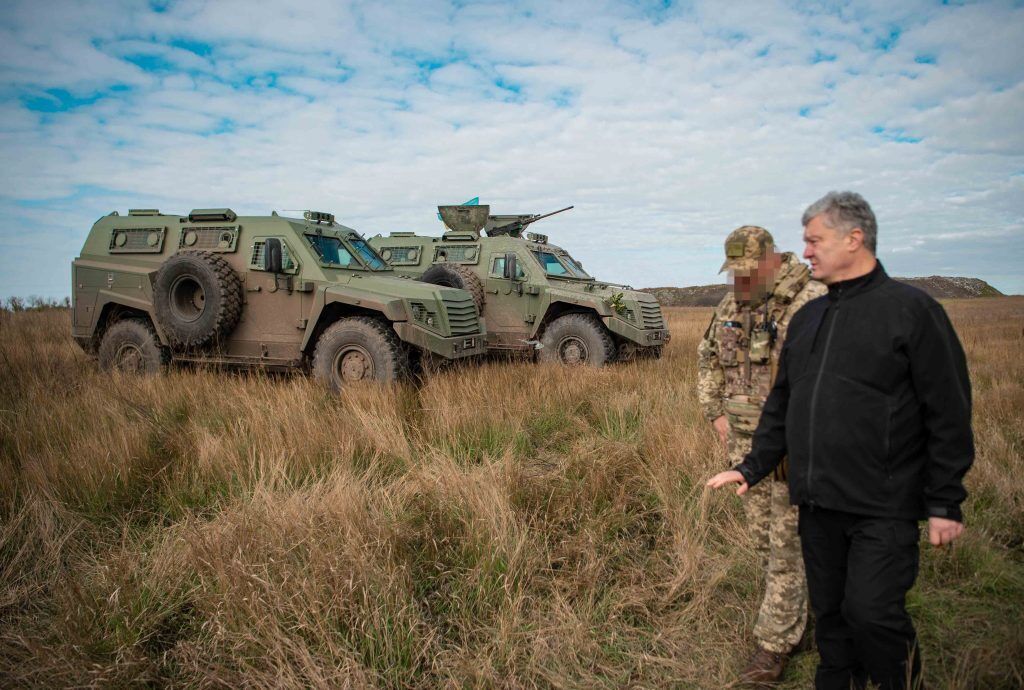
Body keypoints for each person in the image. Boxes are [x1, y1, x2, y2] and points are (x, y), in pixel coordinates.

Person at [707, 191, 974, 690]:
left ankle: (900, 678)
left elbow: (949, 412)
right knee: (832, 618)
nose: (805, 252)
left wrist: (944, 501)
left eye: (814, 240)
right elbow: (784, 406)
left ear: (854, 239)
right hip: (816, 499)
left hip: (883, 502)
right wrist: (749, 466)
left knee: (871, 612)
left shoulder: (913, 312)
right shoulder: (812, 319)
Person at [698, 225, 826, 687]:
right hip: (744, 454)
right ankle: (803, 621)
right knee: (764, 543)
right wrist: (714, 412)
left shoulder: (811, 301)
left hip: (797, 450)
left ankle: (772, 648)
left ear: (773, 261)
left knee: (788, 546)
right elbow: (708, 356)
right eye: (736, 274)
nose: (742, 283)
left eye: (750, 273)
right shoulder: (731, 304)